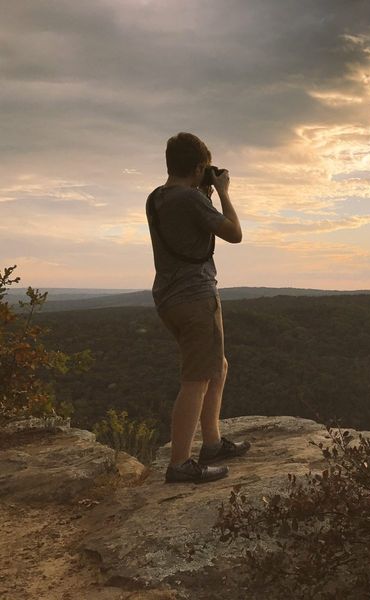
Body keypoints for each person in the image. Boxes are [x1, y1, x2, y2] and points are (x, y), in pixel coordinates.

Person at [146, 132, 250, 484]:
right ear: (199, 167)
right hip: (195, 297)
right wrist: (222, 191)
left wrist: (203, 188)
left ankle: (212, 443)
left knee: (216, 366)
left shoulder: (156, 198)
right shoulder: (190, 199)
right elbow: (234, 233)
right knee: (196, 379)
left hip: (169, 296)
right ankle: (179, 463)